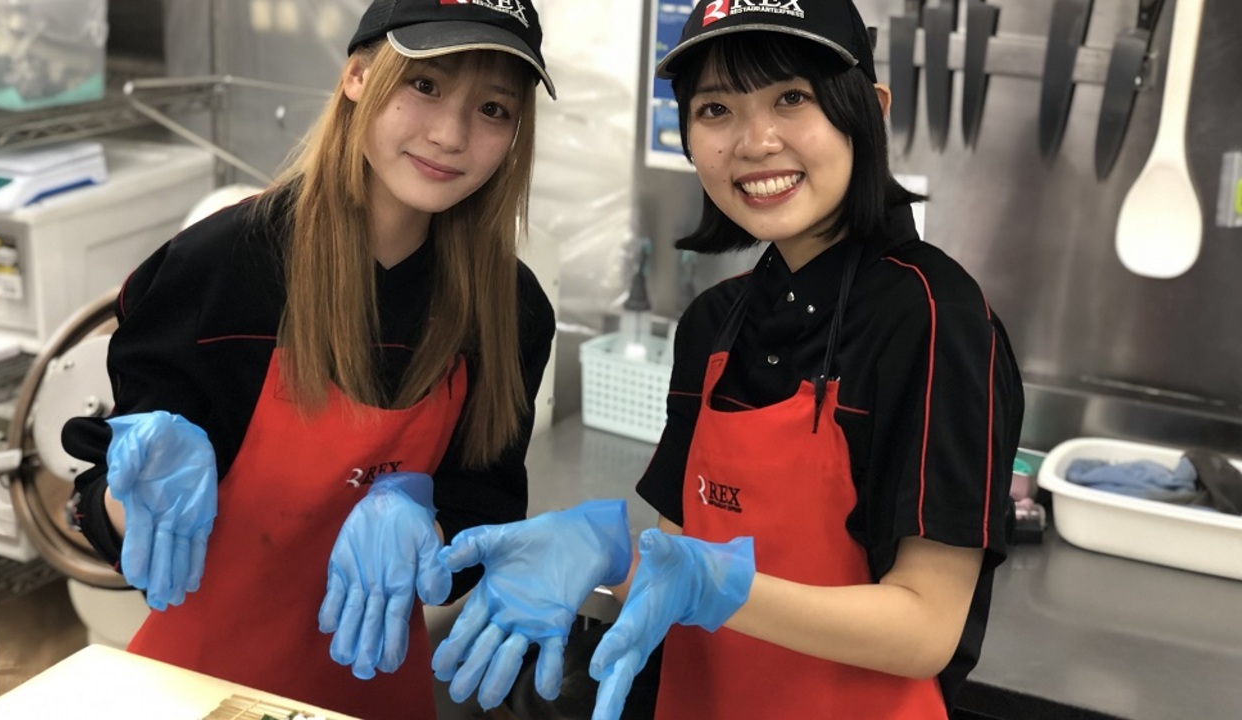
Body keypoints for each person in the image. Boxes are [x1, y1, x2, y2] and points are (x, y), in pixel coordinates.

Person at [429, 1, 1025, 718]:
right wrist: (613, 559)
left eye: (792, 98)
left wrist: (717, 588)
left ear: (870, 109)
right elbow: (684, 562)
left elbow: (924, 627)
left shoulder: (935, 319)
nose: (755, 140)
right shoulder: (717, 322)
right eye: (716, 109)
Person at [60, 0, 557, 717]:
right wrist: (129, 494)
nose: (451, 134)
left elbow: (481, 518)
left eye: (493, 109)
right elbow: (113, 506)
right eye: (425, 86)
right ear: (358, 76)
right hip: (197, 688)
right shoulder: (222, 268)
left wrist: (434, 535)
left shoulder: (510, 311)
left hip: (373, 685)